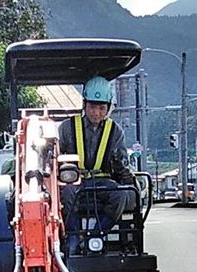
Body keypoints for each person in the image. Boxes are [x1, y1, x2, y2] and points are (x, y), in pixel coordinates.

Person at [58, 75, 137, 254]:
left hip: (101, 181)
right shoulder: (67, 128)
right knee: (66, 192)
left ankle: (96, 235)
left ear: (108, 108)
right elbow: (55, 158)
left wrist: (131, 184)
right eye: (93, 107)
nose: (96, 112)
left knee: (122, 194)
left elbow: (122, 163)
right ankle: (73, 236)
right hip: (73, 180)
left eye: (102, 108)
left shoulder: (115, 131)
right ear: (85, 105)